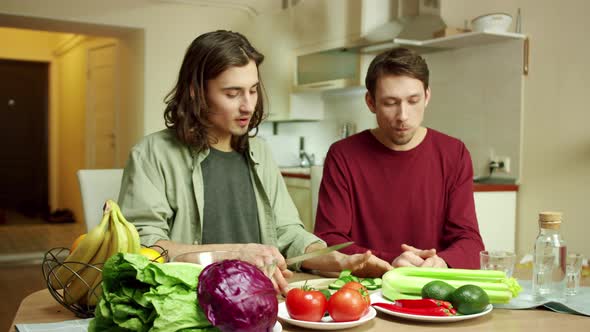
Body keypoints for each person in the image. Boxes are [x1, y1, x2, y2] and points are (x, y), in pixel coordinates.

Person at [118, 30, 392, 294]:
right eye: (232, 93)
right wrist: (235, 254)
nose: (248, 105)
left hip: (259, 301)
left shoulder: (260, 152)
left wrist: (340, 262)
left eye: (252, 90)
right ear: (195, 91)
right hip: (189, 303)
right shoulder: (152, 154)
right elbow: (145, 247)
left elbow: (288, 232)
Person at [314, 47, 484, 269]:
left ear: (427, 96)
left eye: (413, 101)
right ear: (371, 102)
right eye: (390, 103)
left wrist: (442, 262)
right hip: (365, 290)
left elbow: (471, 243)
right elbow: (329, 242)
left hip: (433, 287)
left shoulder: (454, 153)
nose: (403, 116)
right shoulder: (343, 155)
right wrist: (391, 260)